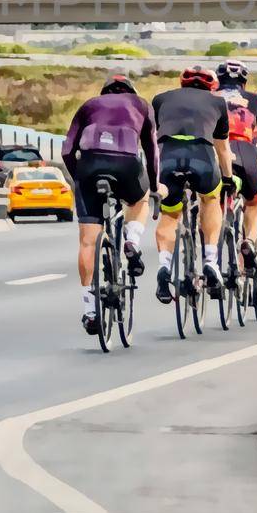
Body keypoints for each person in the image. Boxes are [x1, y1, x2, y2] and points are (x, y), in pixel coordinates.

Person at [61, 74, 158, 337]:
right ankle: (132, 241)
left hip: (90, 165)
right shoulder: (141, 104)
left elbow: (67, 150)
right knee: (139, 199)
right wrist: (156, 185)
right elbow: (151, 150)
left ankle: (90, 311)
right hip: (126, 164)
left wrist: (78, 175)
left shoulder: (89, 105)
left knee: (87, 242)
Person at [150, 65, 233, 305]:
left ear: (181, 82)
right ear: (212, 85)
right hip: (202, 154)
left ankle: (164, 267)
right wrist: (227, 179)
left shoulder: (161, 99)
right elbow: (223, 148)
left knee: (170, 214)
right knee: (210, 200)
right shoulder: (218, 103)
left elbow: (151, 137)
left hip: (167, 155)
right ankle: (210, 261)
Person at [213, 60, 257, 270]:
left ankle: (209, 255)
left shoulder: (208, 98)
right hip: (244, 151)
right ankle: (249, 240)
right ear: (244, 82)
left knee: (209, 200)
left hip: (215, 152)